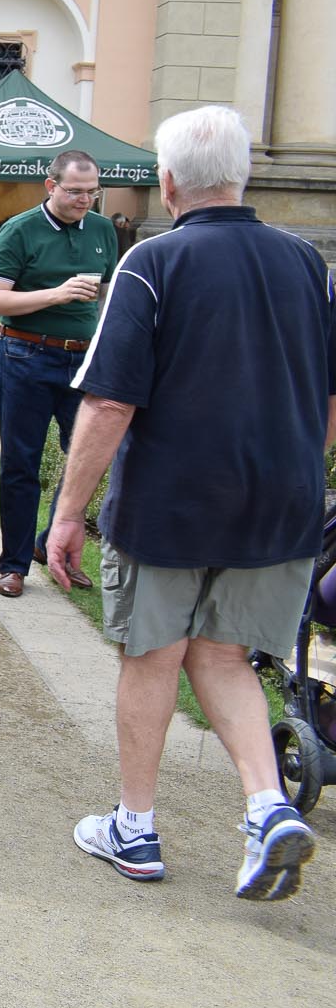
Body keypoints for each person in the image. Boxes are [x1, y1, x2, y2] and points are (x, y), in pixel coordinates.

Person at [47, 105, 331, 903]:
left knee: (154, 655)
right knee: (224, 655)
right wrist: (298, 459)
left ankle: (135, 826)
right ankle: (268, 806)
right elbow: (328, 394)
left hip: (173, 501)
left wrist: (67, 513)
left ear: (167, 182)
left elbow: (109, 402)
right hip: (279, 501)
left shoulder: (154, 261)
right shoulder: (308, 263)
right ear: (241, 174)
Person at [0, 149, 119, 597]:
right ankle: (14, 564)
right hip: (26, 354)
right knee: (21, 463)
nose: (84, 200)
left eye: (92, 191)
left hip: (84, 360)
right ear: (51, 185)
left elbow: (105, 294)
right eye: (75, 191)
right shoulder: (19, 230)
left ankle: (47, 543)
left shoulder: (102, 229)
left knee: (88, 458)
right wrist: (56, 294)